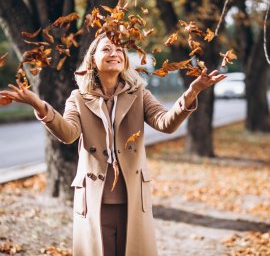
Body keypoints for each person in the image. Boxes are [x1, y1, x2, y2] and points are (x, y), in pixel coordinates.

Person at [0, 32, 226, 256]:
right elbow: (68, 134)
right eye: (106, 49)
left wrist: (192, 91)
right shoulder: (77, 98)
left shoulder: (140, 94)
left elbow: (165, 123)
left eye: (119, 50)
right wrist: (39, 105)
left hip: (132, 195)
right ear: (92, 59)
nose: (114, 53)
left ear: (125, 60)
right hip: (94, 199)